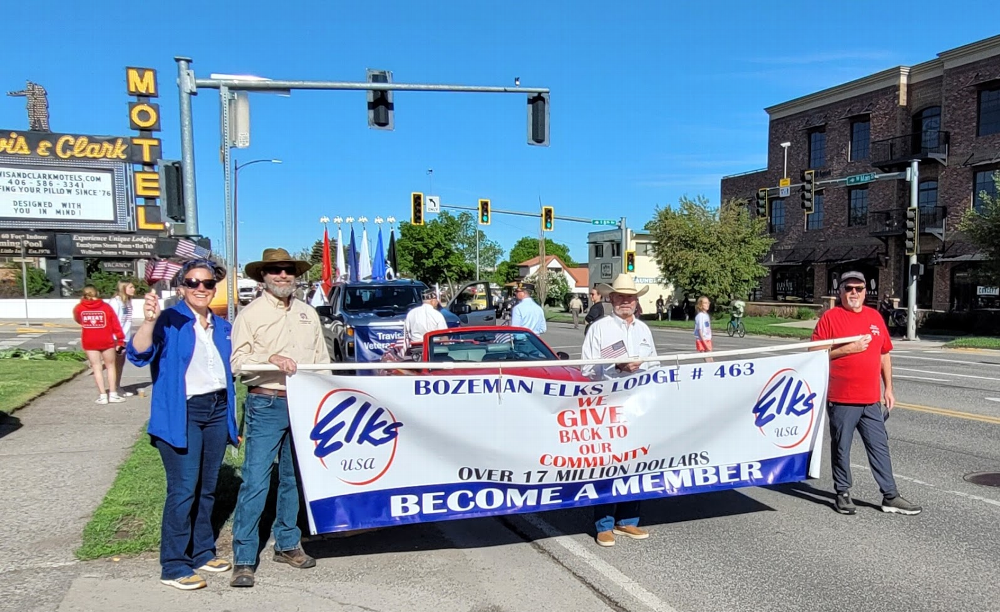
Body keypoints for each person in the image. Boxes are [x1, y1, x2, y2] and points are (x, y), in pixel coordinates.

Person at [127, 260, 239, 591]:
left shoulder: (222, 326)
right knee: (183, 489)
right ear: (181, 288)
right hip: (183, 413)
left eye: (207, 284)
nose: (200, 288)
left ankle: (202, 551)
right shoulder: (169, 320)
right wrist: (148, 322)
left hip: (217, 410)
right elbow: (137, 354)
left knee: (207, 488)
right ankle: (174, 564)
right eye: (193, 283)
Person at [229, 248, 331, 588]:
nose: (283, 275)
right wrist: (269, 357)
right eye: (276, 271)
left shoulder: (307, 313)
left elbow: (322, 360)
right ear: (263, 276)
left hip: (304, 403)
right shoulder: (250, 314)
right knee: (256, 479)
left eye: (288, 270)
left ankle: (287, 543)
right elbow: (238, 362)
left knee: (293, 478)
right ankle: (244, 556)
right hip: (266, 402)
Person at [812, 271, 921, 516]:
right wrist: (846, 349)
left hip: (871, 399)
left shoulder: (875, 317)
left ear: (864, 292)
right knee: (842, 448)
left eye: (859, 289)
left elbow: (884, 354)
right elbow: (814, 351)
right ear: (840, 291)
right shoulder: (831, 317)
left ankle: (890, 496)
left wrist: (889, 389)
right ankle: (842, 493)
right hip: (842, 398)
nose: (854, 293)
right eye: (849, 288)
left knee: (879, 447)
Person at [581, 274, 658, 547]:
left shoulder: (643, 330)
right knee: (608, 466)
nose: (626, 301)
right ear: (611, 298)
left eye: (631, 297)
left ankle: (628, 521)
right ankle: (603, 524)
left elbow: (655, 365)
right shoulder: (599, 329)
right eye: (621, 296)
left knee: (637, 463)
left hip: (639, 405)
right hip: (609, 406)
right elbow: (587, 370)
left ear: (637, 301)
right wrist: (617, 367)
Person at [73, 285, 126, 405]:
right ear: (97, 293)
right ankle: (113, 393)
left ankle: (102, 395)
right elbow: (115, 324)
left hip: (89, 341)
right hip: (106, 340)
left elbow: (78, 319)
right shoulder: (106, 307)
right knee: (111, 366)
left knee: (96, 367)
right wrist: (120, 339)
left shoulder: (79, 308)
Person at [109, 280, 137, 398]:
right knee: (113, 364)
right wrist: (117, 339)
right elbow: (112, 321)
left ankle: (117, 386)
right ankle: (113, 390)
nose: (134, 289)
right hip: (116, 338)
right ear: (123, 288)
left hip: (125, 337)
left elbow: (128, 321)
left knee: (120, 364)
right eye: (131, 287)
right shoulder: (115, 302)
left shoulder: (128, 302)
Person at [694, 296, 713, 361]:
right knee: (708, 360)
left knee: (711, 360)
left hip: (707, 339)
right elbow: (700, 331)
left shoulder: (706, 315)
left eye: (708, 303)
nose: (707, 304)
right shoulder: (700, 316)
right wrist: (705, 344)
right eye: (705, 303)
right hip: (702, 340)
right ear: (700, 305)